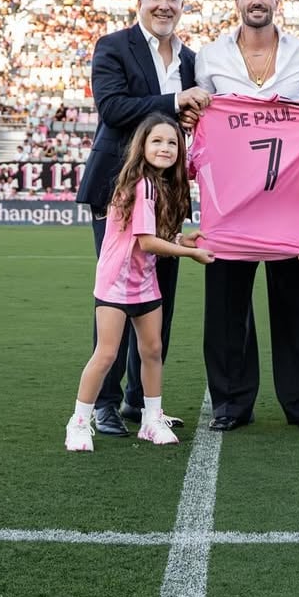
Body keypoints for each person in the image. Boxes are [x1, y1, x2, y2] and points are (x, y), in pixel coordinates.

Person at [194, 0, 299, 432]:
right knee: (226, 309)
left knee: (298, 307)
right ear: (237, 1)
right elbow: (204, 128)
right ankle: (231, 403)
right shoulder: (211, 56)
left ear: (277, 0)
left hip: (290, 208)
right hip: (232, 208)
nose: (257, 0)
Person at [75, 0, 210, 437]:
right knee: (115, 296)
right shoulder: (113, 46)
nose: (164, 5)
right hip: (119, 191)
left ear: (182, 4)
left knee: (159, 300)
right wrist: (176, 100)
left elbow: (195, 117)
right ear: (140, 0)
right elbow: (112, 109)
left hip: (169, 193)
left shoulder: (193, 59)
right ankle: (103, 404)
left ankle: (141, 402)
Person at [65, 114, 214, 452]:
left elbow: (153, 236)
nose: (165, 148)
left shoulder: (161, 184)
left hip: (144, 281)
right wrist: (189, 253)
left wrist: (182, 240)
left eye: (173, 142)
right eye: (157, 141)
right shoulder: (141, 183)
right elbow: (146, 242)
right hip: (117, 281)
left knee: (152, 351)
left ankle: (151, 419)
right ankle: (78, 422)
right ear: (142, 146)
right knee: (105, 354)